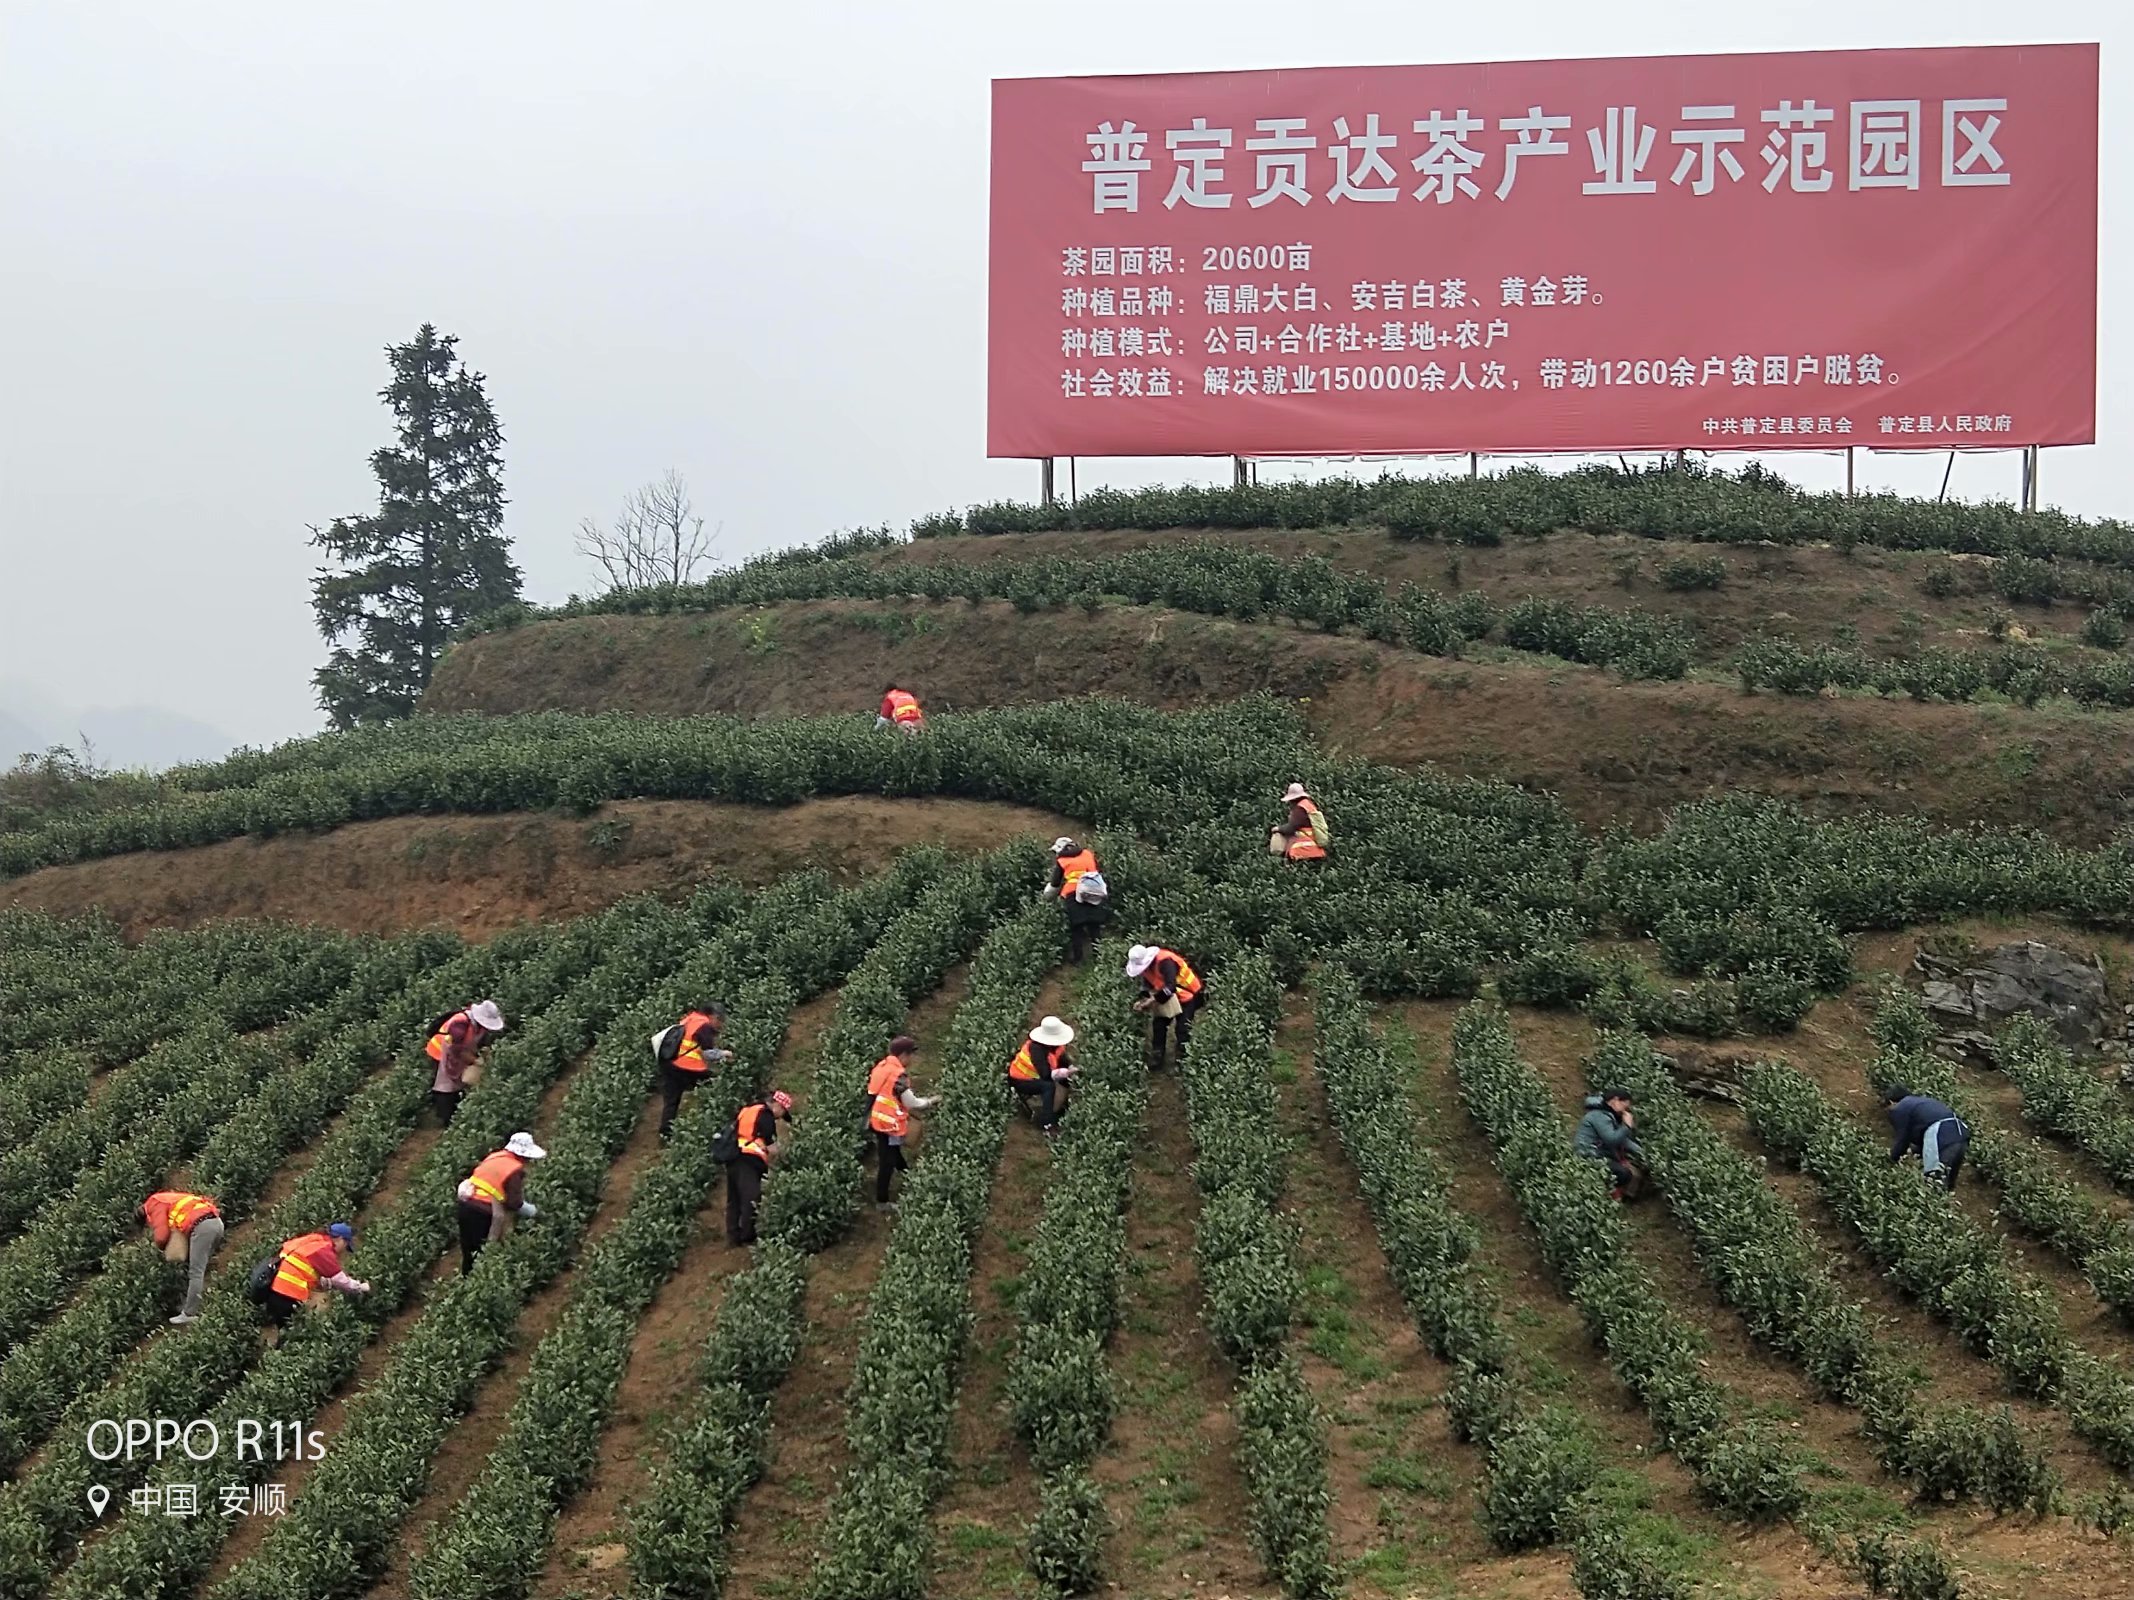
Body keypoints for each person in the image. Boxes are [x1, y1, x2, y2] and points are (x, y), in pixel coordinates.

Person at [263, 1222, 369, 1343]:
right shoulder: (324, 1249)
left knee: (287, 1332)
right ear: (340, 1239)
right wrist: (361, 1287)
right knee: (296, 1335)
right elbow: (341, 1280)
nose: (343, 1251)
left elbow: (306, 1267)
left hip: (274, 1291)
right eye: (345, 1246)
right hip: (288, 1294)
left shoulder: (311, 1241)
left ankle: (277, 1355)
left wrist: (325, 1282)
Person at [457, 1131, 547, 1274]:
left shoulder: (495, 1156)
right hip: (483, 1212)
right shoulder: (514, 1169)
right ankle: (479, 1284)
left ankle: (466, 1281)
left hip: (466, 1205)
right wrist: (533, 1212)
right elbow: (514, 1202)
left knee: (469, 1251)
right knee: (484, 1252)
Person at [866, 1035, 936, 1212]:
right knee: (886, 1162)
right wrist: (930, 1102)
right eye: (911, 1055)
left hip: (877, 1120)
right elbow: (912, 1102)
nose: (912, 1059)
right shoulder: (898, 1075)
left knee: (892, 1151)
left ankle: (906, 1172)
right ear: (904, 1055)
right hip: (888, 1124)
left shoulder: (881, 1067)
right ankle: (882, 1202)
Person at [141, 1188, 224, 1324]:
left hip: (203, 1227)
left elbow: (161, 1236)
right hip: (216, 1223)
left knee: (196, 1271)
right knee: (197, 1267)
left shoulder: (154, 1204)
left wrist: (162, 1249)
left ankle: (189, 1313)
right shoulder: (170, 1197)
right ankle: (193, 1305)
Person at [726, 1089, 794, 1245]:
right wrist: (786, 1157)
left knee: (734, 1198)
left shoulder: (749, 1110)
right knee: (751, 1196)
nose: (779, 1117)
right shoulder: (766, 1116)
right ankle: (748, 1235)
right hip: (748, 1160)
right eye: (782, 1112)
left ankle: (733, 1236)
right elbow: (771, 1147)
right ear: (777, 1104)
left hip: (734, 1156)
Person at [658, 1004, 734, 1142]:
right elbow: (707, 1053)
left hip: (669, 1063)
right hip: (687, 1067)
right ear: (713, 1016)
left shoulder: (691, 1018)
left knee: (671, 1101)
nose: (720, 1025)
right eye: (720, 1021)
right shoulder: (704, 1025)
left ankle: (665, 1135)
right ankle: (715, 1119)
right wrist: (724, 1054)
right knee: (716, 1084)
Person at [427, 1000, 506, 1127]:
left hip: (457, 1056)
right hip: (441, 1053)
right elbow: (456, 1049)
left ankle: (456, 1111)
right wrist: (475, 1060)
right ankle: (445, 1119)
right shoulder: (459, 1022)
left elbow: (478, 1043)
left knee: (457, 1083)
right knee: (444, 1086)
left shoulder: (479, 1027)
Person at [1126, 944, 1205, 1070]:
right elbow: (1148, 984)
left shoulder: (1165, 962)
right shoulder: (1146, 968)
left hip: (1188, 995)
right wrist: (1143, 999)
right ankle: (1157, 1058)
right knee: (1159, 1026)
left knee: (1182, 1028)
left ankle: (1183, 1060)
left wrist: (1152, 1000)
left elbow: (1171, 986)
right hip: (1169, 997)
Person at [1882, 1085, 1970, 1190]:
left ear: (1892, 1102)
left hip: (1940, 1134)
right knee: (1948, 1181)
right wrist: (1915, 1151)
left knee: (1933, 1180)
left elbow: (1903, 1138)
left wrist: (1891, 1159)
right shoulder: (1921, 1102)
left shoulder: (1900, 1107)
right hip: (1960, 1133)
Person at [1042, 836, 1109, 964]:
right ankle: (1100, 957)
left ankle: (1078, 959)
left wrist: (1046, 897)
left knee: (1076, 927)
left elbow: (1055, 883)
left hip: (1073, 892)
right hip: (1094, 890)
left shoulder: (1062, 860)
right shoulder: (1087, 854)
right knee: (1094, 926)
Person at [1007, 1015, 1078, 1135]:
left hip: (1036, 1076)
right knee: (1048, 1086)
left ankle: (1058, 1110)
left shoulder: (1056, 1046)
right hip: (1021, 1080)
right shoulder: (1036, 1049)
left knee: (1063, 1081)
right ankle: (1047, 1124)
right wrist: (1065, 1072)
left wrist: (1070, 1067)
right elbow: (1045, 1074)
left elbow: (1062, 1059)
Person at [1575, 1089, 1650, 1201]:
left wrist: (1644, 1154)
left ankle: (1620, 1197)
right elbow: (1612, 1140)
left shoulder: (1608, 1115)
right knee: (1622, 1173)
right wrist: (1627, 1126)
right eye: (1624, 1107)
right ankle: (1605, 1195)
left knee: (1631, 1171)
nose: (1625, 1111)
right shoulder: (1599, 1115)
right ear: (1615, 1100)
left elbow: (1623, 1141)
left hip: (1599, 1153)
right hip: (1588, 1154)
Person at [1270, 782, 1329, 863]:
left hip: (1303, 851)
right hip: (1315, 850)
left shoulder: (1300, 809)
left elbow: (1291, 828)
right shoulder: (1308, 805)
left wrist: (1278, 828)